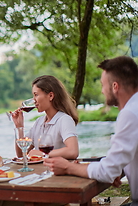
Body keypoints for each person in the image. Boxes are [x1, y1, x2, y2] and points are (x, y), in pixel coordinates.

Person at [45, 56, 138, 206]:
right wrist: (118, 169)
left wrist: (69, 167)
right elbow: (124, 158)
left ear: (115, 86)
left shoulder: (129, 113)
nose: (102, 91)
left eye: (103, 85)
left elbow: (107, 171)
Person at [0, 75, 79, 206]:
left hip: (53, 182)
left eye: (36, 95)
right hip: (37, 177)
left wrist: (45, 155)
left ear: (50, 96)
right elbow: (21, 154)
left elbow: (73, 151)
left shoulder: (64, 120)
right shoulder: (40, 122)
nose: (33, 101)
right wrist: (19, 127)